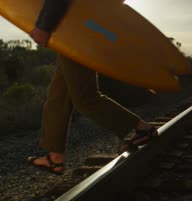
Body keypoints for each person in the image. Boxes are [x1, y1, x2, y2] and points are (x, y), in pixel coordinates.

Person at [27, 0, 158, 175]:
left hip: (80, 29)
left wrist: (44, 25)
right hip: (80, 26)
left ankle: (142, 128)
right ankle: (54, 157)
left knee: (85, 99)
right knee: (58, 96)